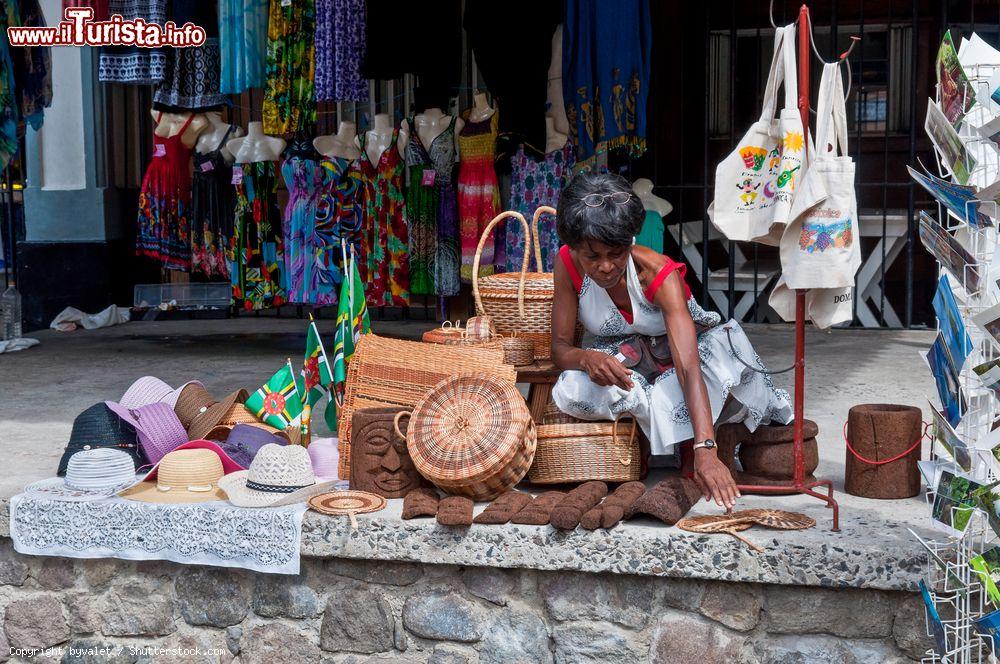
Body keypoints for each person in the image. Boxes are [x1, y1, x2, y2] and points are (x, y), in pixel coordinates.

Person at [550, 172, 792, 510]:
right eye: (593, 257)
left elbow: (689, 366)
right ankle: (648, 438)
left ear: (630, 241)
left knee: (716, 366)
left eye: (616, 253)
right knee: (571, 388)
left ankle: (692, 437)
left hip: (685, 359)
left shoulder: (656, 273)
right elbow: (560, 349)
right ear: (575, 247)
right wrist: (587, 359)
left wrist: (707, 450)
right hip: (633, 363)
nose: (606, 266)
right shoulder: (566, 263)